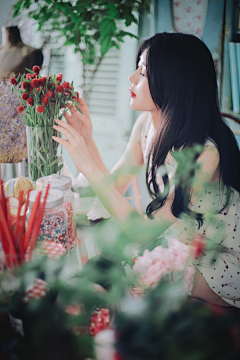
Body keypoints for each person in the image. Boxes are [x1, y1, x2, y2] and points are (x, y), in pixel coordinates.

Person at [53, 32, 240, 309]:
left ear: (174, 83)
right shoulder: (146, 125)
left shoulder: (204, 155)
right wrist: (89, 141)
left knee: (128, 275)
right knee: (100, 269)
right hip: (177, 244)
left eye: (144, 72)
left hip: (219, 259)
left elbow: (142, 231)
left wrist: (87, 165)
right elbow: (114, 186)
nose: (132, 77)